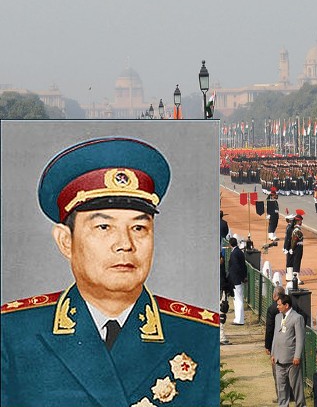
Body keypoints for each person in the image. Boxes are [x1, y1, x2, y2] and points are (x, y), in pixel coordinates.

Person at [0, 137, 219, 407]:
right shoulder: (12, 334)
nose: (125, 244)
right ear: (66, 241)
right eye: (104, 227)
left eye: (139, 228)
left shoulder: (202, 336)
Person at [271, 293, 306, 407]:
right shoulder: (278, 317)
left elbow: (300, 339)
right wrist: (273, 353)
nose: (277, 307)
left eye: (279, 305)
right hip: (279, 359)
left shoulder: (297, 318)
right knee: (281, 388)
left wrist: (297, 356)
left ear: (286, 305)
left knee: (296, 387)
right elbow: (275, 336)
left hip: (291, 360)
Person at [265, 286, 286, 403]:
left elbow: (269, 328)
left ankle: (281, 396)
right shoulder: (292, 305)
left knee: (277, 371)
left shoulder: (272, 309)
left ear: (275, 296)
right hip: (290, 343)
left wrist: (267, 346)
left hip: (276, 344)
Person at [227, 236, 247, 325]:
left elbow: (236, 267)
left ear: (230, 244)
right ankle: (238, 318)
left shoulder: (234, 253)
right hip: (238, 279)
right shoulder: (239, 252)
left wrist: (240, 278)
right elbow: (243, 266)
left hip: (236, 280)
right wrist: (244, 277)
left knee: (238, 299)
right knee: (237, 299)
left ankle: (239, 320)